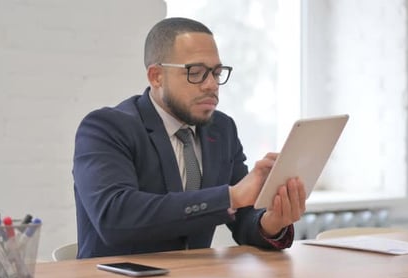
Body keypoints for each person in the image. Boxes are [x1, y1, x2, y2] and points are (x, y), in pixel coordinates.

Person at [73, 17, 307, 259]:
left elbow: (244, 218)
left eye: (217, 73)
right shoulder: (106, 128)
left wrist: (270, 222)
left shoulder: (222, 129)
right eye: (195, 73)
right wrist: (231, 196)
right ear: (156, 76)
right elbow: (115, 217)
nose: (211, 85)